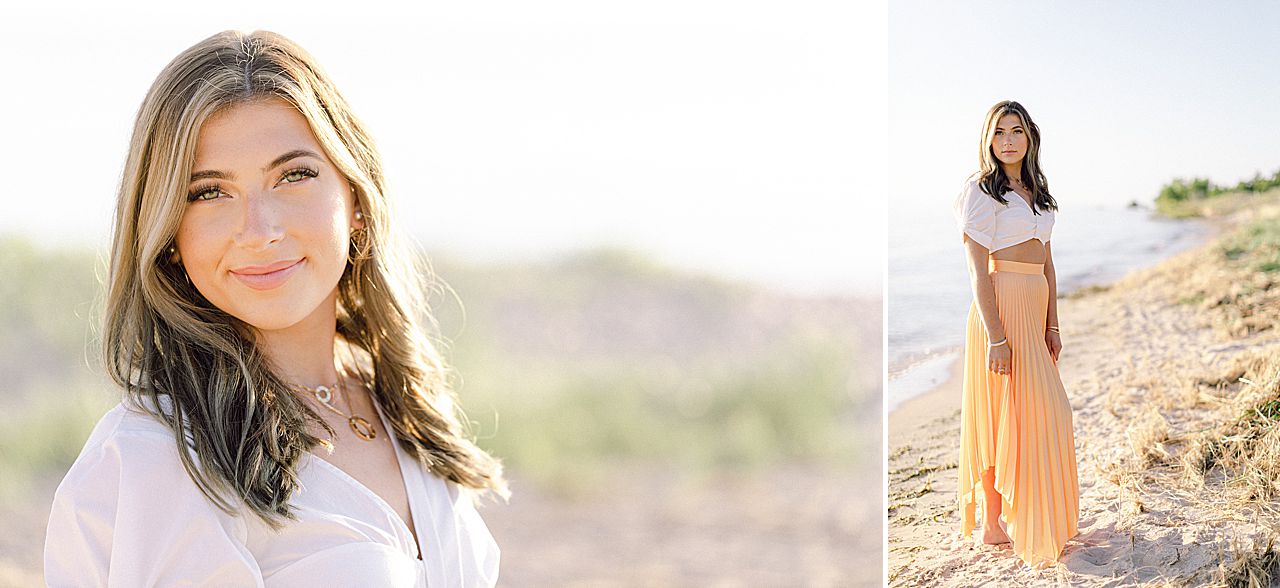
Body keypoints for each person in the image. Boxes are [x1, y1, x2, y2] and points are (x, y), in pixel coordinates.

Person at [44, 30, 508, 587]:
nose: (259, 232)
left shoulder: (401, 405)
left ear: (356, 197)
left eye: (293, 176)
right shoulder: (157, 460)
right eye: (209, 192)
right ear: (168, 230)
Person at [952, 100, 1080, 567]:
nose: (1008, 139)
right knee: (998, 412)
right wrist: (997, 336)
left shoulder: (1038, 192)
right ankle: (991, 523)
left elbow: (1047, 262)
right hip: (1000, 310)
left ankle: (1024, 513)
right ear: (989, 139)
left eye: (1017, 131)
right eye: (1000, 131)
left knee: (1050, 413)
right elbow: (977, 272)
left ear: (1030, 138)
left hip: (1035, 308)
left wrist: (1053, 323)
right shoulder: (981, 191)